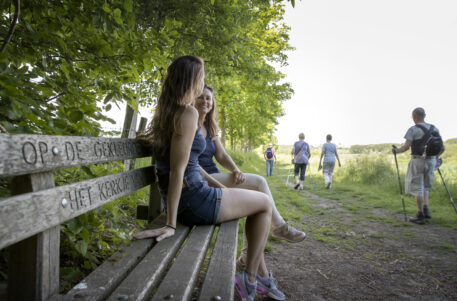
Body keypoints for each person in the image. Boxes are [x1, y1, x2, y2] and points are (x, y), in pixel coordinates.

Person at [133, 56, 285, 301]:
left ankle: (255, 275)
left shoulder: (167, 113)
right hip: (194, 201)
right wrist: (171, 224)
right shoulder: (187, 113)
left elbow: (186, 165)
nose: (202, 82)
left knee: (258, 199)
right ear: (192, 81)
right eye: (200, 77)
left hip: (193, 195)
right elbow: (177, 171)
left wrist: (216, 185)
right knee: (265, 203)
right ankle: (250, 278)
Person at [195, 84, 306, 264]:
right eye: (200, 97)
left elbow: (221, 155)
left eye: (208, 98)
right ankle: (279, 226)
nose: (205, 101)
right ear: (193, 99)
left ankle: (246, 258)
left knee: (256, 197)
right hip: (200, 179)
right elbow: (189, 163)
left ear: (213, 103)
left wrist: (236, 169)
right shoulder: (190, 123)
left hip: (214, 174)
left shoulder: (210, 127)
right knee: (259, 183)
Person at [392, 107, 444, 225]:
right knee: (425, 187)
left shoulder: (413, 129)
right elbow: (442, 148)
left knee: (418, 187)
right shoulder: (434, 128)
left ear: (414, 116)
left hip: (418, 160)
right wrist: (435, 158)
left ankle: (420, 215)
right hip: (431, 161)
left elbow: (405, 147)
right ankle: (426, 210)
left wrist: (396, 151)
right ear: (424, 116)